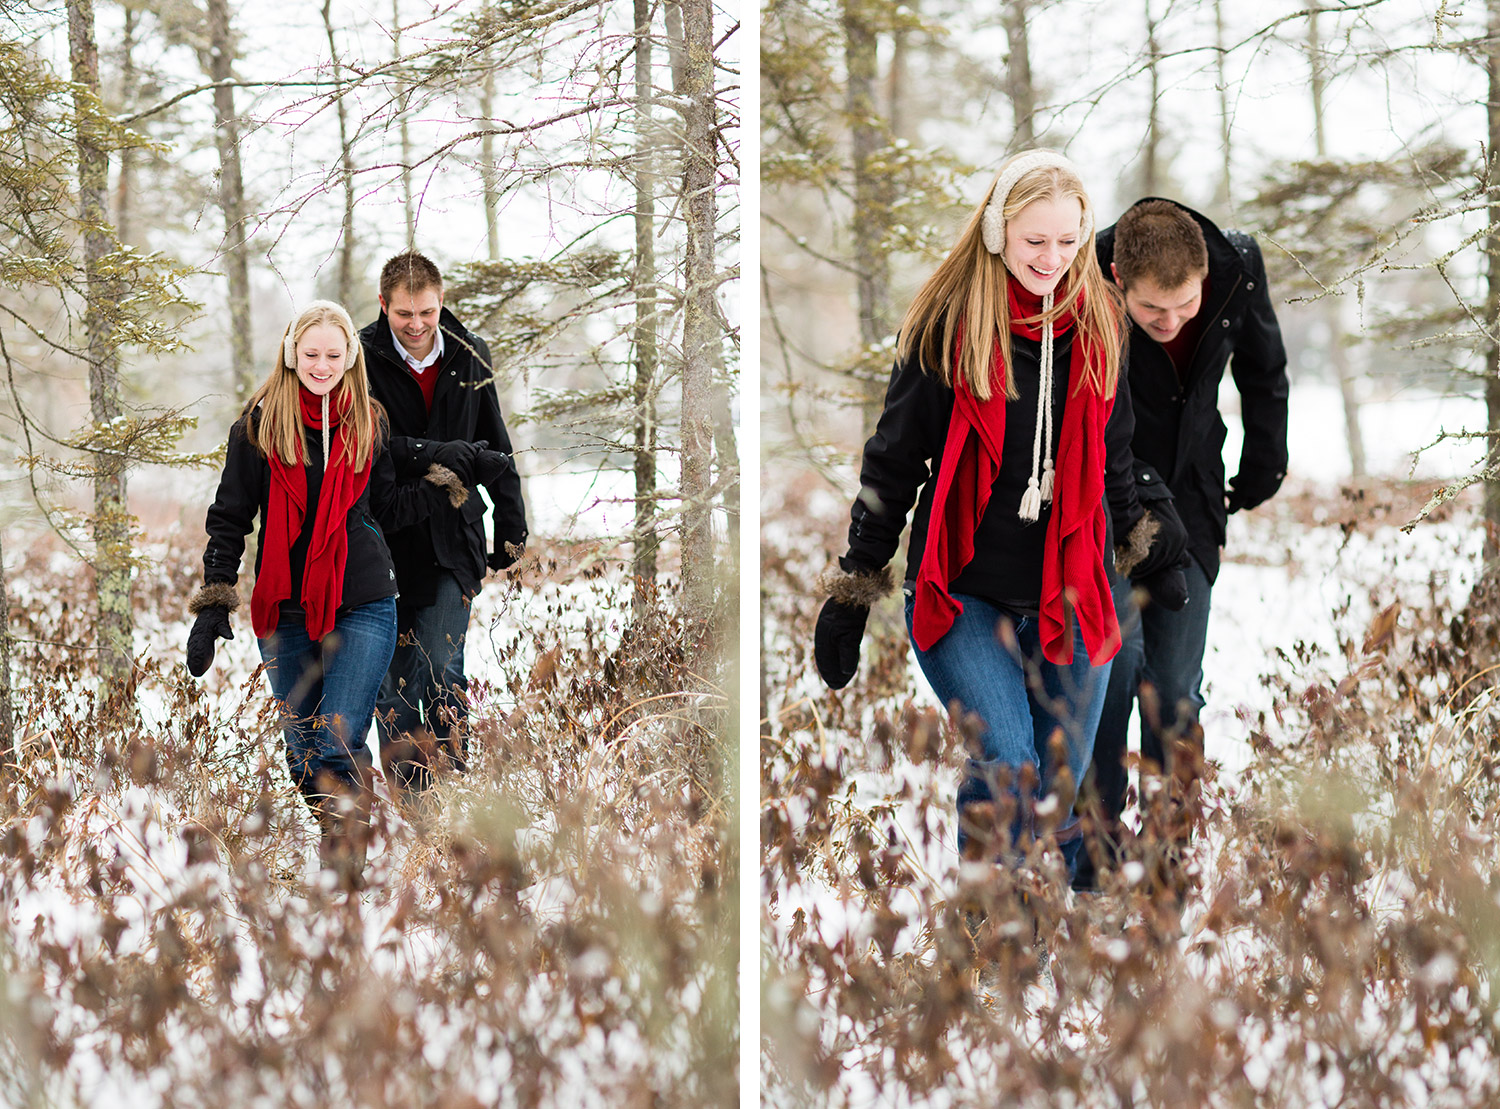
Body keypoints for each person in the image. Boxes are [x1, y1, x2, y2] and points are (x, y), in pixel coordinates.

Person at [812, 151, 1184, 883]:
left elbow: (1114, 458)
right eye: (1033, 241)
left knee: (1054, 785)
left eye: (1067, 241)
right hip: (963, 590)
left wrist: (1143, 550)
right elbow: (892, 466)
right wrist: (854, 590)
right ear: (995, 233)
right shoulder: (948, 328)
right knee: (1009, 762)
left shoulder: (1101, 328)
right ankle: (995, 951)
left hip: (1070, 590)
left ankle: (1036, 949)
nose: (1052, 258)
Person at [184, 301, 480, 885]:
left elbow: (386, 507)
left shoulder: (368, 422)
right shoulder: (259, 427)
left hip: (365, 599)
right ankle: (338, 840)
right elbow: (230, 517)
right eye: (311, 354)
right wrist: (215, 599)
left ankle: (343, 876)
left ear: (350, 358)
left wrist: (444, 488)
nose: (322, 365)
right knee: (303, 747)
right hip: (284, 606)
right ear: (293, 354)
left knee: (336, 739)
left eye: (334, 354)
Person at [1075, 198, 1289, 892]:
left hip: (1192, 503)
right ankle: (1096, 856)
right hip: (1107, 503)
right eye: (1151, 313)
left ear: (1205, 277)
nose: (1170, 324)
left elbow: (1263, 369)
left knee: (1172, 688)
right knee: (1112, 670)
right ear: (1117, 280)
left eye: (1184, 307)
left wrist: (1263, 464)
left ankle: (1169, 859)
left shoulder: (1237, 269)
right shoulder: (1082, 277)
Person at [360, 250, 528, 808]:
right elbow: (370, 449)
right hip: (384, 540)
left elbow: (495, 440)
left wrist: (511, 516)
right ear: (384, 306)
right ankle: (427, 802)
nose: (416, 324)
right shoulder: (360, 359)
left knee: (433, 660)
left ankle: (439, 798)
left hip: (453, 539)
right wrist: (438, 456)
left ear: (440, 302)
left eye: (426, 312)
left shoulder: (468, 353)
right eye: (404, 313)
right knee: (395, 673)